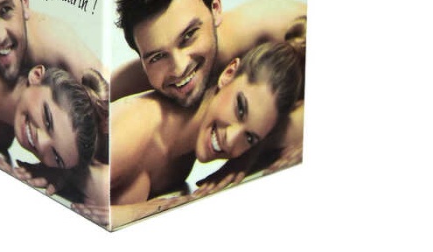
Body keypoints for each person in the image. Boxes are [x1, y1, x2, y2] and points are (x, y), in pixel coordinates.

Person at [77, 41, 303, 229]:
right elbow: (67, 197)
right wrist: (141, 212)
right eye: (240, 109)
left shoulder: (181, 161)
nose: (231, 139)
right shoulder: (137, 127)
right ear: (229, 74)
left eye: (250, 138)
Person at [112, 0, 306, 105]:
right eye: (157, 56)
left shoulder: (279, 25)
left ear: (215, 8)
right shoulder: (138, 75)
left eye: (188, 36)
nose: (179, 68)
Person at [0, 24, 109, 203]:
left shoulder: (2, 140)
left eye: (56, 156)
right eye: (48, 120)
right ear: (37, 75)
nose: (41, 143)